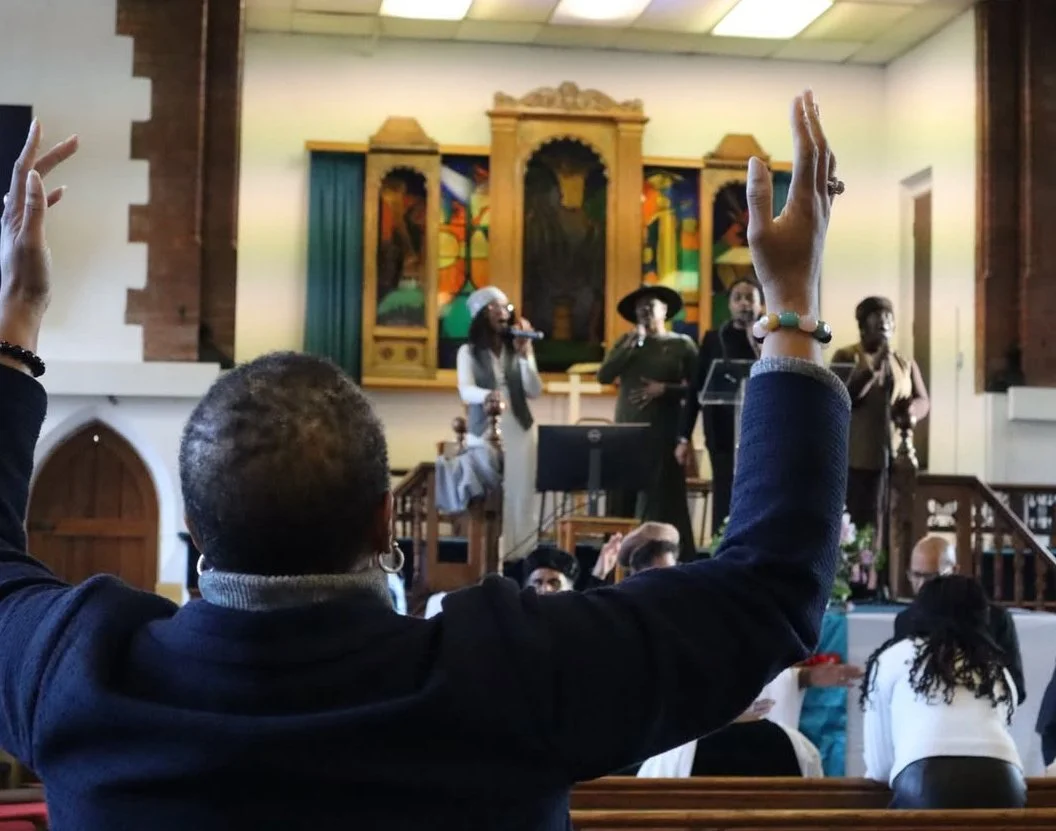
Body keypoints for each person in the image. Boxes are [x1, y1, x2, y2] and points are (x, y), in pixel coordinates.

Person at [0, 92, 848, 830]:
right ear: (382, 519)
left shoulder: (77, 672)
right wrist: (794, 305)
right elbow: (769, 586)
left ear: (195, 529)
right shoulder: (506, 677)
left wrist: (14, 325)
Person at [860, 575, 1024, 809]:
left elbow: (880, 768)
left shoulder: (894, 657)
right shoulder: (995, 667)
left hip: (925, 780)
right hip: (1004, 778)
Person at [596, 283, 697, 562]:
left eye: (650, 306)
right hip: (626, 433)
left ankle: (666, 560)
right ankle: (615, 561)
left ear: (664, 311)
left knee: (659, 503)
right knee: (622, 501)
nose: (645, 312)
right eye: (640, 308)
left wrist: (666, 390)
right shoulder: (627, 343)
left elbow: (697, 389)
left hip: (662, 434)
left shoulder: (681, 345)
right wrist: (631, 346)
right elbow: (604, 376)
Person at [456, 286, 543, 561]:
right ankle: (493, 553)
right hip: (485, 430)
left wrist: (526, 354)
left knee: (521, 489)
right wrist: (490, 396)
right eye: (496, 308)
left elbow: (534, 389)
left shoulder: (515, 348)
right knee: (494, 494)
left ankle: (522, 551)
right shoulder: (468, 352)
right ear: (483, 315)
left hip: (519, 428)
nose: (503, 313)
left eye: (506, 307)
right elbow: (465, 390)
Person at [831, 297, 929, 533]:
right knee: (859, 525)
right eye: (878, 317)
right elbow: (843, 395)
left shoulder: (904, 362)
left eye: (889, 317)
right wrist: (873, 369)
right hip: (857, 460)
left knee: (891, 526)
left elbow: (923, 400)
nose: (885, 321)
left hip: (895, 459)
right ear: (864, 326)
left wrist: (910, 411)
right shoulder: (846, 357)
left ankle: (888, 569)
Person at [676, 276, 764, 535]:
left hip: (758, 430)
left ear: (761, 304)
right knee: (724, 494)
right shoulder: (715, 339)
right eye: (738, 298)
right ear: (730, 305)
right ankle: (720, 547)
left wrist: (756, 343)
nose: (744, 303)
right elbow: (696, 389)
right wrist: (684, 436)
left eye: (750, 298)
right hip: (722, 431)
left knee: (756, 492)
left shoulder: (769, 339)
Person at [895, 535, 1025, 705]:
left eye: (930, 578)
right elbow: (899, 683)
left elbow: (1016, 688)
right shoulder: (906, 620)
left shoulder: (995, 618)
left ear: (954, 571)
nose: (921, 585)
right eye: (915, 575)